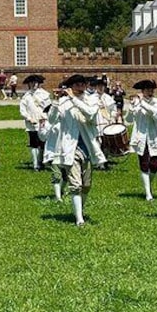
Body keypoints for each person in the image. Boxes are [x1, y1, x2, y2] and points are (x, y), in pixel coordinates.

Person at [54, 74, 100, 226]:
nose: (80, 87)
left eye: (82, 84)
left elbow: (91, 114)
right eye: (77, 85)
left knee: (86, 184)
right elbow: (52, 120)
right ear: (71, 87)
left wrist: (73, 99)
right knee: (76, 183)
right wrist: (56, 102)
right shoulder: (63, 102)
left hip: (88, 146)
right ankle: (79, 219)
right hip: (71, 147)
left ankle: (80, 209)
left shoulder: (92, 99)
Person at [125, 80, 157, 202]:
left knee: (154, 165)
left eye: (151, 90)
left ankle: (148, 185)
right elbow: (128, 120)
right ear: (142, 91)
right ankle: (148, 193)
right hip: (141, 137)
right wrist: (131, 107)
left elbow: (156, 114)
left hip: (154, 136)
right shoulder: (137, 103)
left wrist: (142, 103)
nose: (149, 92)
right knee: (144, 164)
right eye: (147, 90)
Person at [19, 74, 51, 171]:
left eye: (36, 83)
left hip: (43, 122)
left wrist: (45, 117)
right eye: (32, 83)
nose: (34, 85)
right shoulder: (26, 97)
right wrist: (29, 118)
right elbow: (22, 110)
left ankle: (41, 161)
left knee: (43, 143)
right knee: (34, 143)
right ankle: (35, 164)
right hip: (31, 123)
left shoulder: (45, 95)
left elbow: (49, 108)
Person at [90, 76, 116, 169]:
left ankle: (104, 160)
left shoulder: (108, 98)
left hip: (106, 123)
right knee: (97, 143)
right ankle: (98, 162)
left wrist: (113, 117)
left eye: (102, 86)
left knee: (105, 143)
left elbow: (113, 110)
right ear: (96, 87)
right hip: (96, 123)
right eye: (99, 86)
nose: (101, 88)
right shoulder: (91, 98)